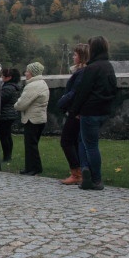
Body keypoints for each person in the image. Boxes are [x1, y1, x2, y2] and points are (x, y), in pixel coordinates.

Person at [70, 36, 117, 191]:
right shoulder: (108, 66)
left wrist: (75, 111)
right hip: (103, 110)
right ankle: (87, 171)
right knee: (84, 141)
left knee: (89, 145)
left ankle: (95, 178)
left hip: (90, 111)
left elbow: (83, 91)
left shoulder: (92, 68)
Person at [57, 44, 89, 185]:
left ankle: (76, 173)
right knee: (75, 141)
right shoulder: (83, 72)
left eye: (75, 55)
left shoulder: (82, 72)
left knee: (66, 141)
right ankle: (79, 171)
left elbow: (74, 92)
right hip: (77, 110)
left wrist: (62, 101)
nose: (73, 57)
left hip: (75, 111)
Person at [14, 62, 50, 176]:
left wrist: (16, 105)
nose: (25, 73)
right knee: (33, 144)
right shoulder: (42, 83)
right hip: (39, 118)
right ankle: (34, 167)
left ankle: (32, 168)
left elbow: (22, 104)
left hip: (32, 119)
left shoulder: (33, 85)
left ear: (33, 73)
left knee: (30, 145)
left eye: (27, 71)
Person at [0, 68, 21, 163]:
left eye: (3, 76)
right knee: (7, 135)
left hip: (5, 114)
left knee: (4, 136)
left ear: (9, 78)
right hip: (10, 114)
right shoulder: (13, 87)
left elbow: (0, 100)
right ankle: (8, 155)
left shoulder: (8, 88)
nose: (1, 77)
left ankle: (7, 156)